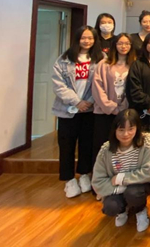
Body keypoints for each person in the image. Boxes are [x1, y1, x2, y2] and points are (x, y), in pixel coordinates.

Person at [52, 25, 103, 198]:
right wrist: (77, 101)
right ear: (77, 39)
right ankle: (69, 179)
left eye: (90, 38)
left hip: (90, 109)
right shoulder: (64, 59)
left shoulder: (100, 59)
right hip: (68, 109)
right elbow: (58, 85)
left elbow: (102, 83)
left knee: (86, 144)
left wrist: (89, 101)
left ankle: (84, 174)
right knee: (66, 144)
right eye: (83, 38)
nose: (87, 41)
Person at [92, 109, 150, 232]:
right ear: (114, 130)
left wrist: (120, 178)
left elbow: (147, 173)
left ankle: (140, 210)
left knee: (132, 193)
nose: (126, 134)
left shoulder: (148, 142)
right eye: (121, 130)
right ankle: (122, 210)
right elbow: (97, 181)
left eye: (130, 129)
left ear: (137, 128)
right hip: (117, 188)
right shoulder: (106, 150)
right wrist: (120, 188)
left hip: (141, 185)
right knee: (110, 207)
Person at [92, 33, 136, 166]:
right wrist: (110, 106)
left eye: (127, 43)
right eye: (120, 43)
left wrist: (122, 108)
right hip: (104, 112)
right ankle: (99, 174)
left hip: (125, 112)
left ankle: (119, 173)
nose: (124, 46)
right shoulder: (104, 64)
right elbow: (97, 86)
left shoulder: (134, 64)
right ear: (114, 45)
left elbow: (134, 88)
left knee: (122, 145)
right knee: (102, 145)